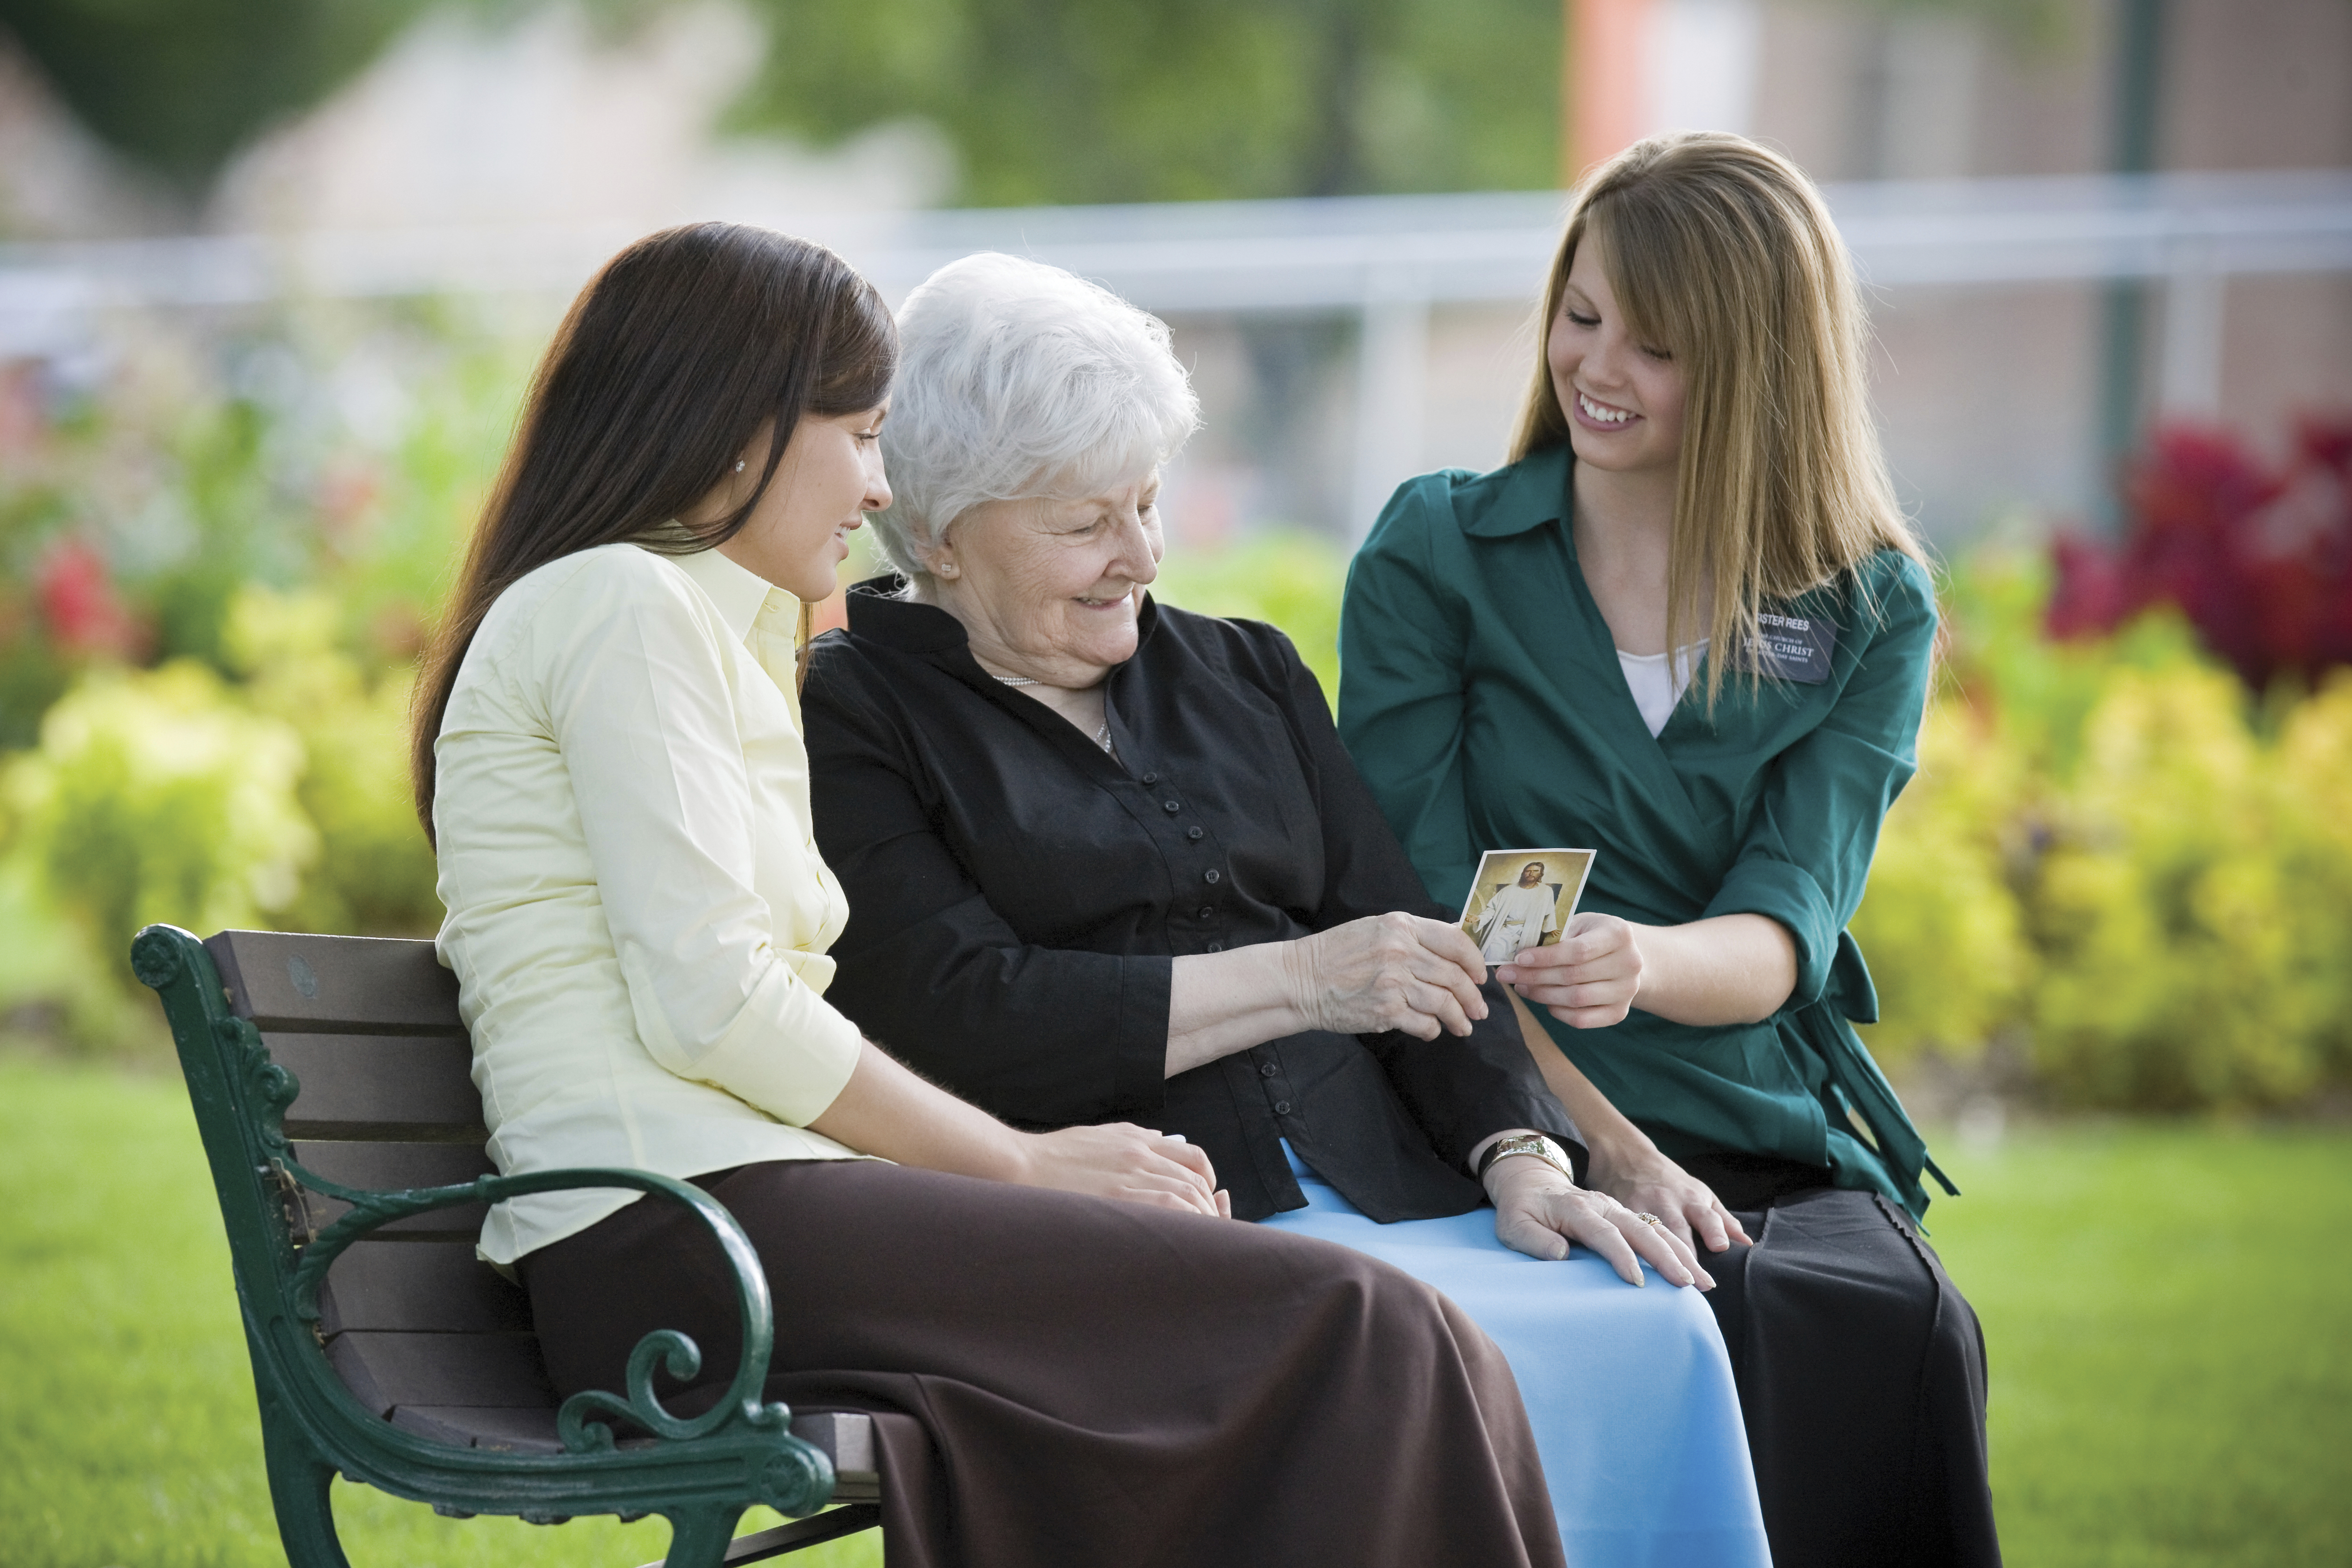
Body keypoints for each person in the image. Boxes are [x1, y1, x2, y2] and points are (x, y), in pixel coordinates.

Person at [415, 222, 1572, 1568]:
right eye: (856, 436)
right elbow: (715, 1006)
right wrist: (1024, 1166)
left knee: (1364, 1336)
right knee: (1367, 1327)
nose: (877, 482)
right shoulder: (624, 606)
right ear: (740, 436)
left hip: (742, 1216)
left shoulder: (713, 630)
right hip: (681, 1239)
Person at [801, 251, 1771, 1568]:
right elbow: (959, 1014)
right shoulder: (855, 706)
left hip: (1394, 1194)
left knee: (1652, 1319)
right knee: (1393, 1352)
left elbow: (1413, 939)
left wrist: (1520, 1156)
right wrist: (1308, 980)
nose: (1139, 555)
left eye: (1148, 504)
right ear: (941, 531)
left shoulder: (1244, 669)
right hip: (1154, 1224)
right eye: (1087, 522)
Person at [1338, 133, 2001, 1567]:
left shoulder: (1873, 606)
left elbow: (1787, 925)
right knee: (1644, 1314)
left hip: (1750, 1112)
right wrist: (1608, 1142)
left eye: (1658, 343)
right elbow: (1412, 912)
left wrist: (1640, 959)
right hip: (1481, 1097)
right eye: (1583, 317)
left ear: (1763, 365)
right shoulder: (1435, 554)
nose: (1599, 366)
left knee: (1886, 1324)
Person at [1473, 861, 1560, 963]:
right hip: (1507, 929)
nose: (1531, 874)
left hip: (1529, 930)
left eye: (1536, 871)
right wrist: (1480, 918)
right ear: (1523, 873)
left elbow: (1550, 911)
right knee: (1493, 951)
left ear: (1541, 874)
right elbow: (1493, 909)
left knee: (1518, 959)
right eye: (1528, 871)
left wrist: (1551, 928)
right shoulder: (1508, 890)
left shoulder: (1546, 891)